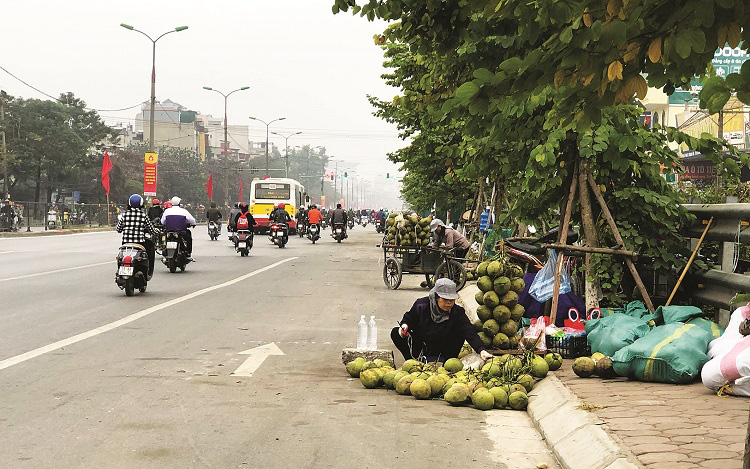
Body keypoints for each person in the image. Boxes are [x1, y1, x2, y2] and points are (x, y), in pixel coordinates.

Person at [391, 278, 493, 362]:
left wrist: (481, 350)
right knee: (395, 333)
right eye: (445, 300)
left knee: (460, 332)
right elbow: (409, 319)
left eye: (452, 300)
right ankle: (412, 362)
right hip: (423, 345)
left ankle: (445, 362)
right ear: (435, 297)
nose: (449, 303)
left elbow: (469, 332)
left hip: (444, 349)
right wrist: (404, 327)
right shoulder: (421, 306)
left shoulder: (457, 312)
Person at [115, 194, 159, 279]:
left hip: (126, 243)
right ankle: (148, 272)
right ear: (141, 204)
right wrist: (156, 231)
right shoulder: (143, 215)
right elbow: (151, 230)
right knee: (150, 248)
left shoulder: (124, 215)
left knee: (121, 257)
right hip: (140, 243)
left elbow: (118, 229)